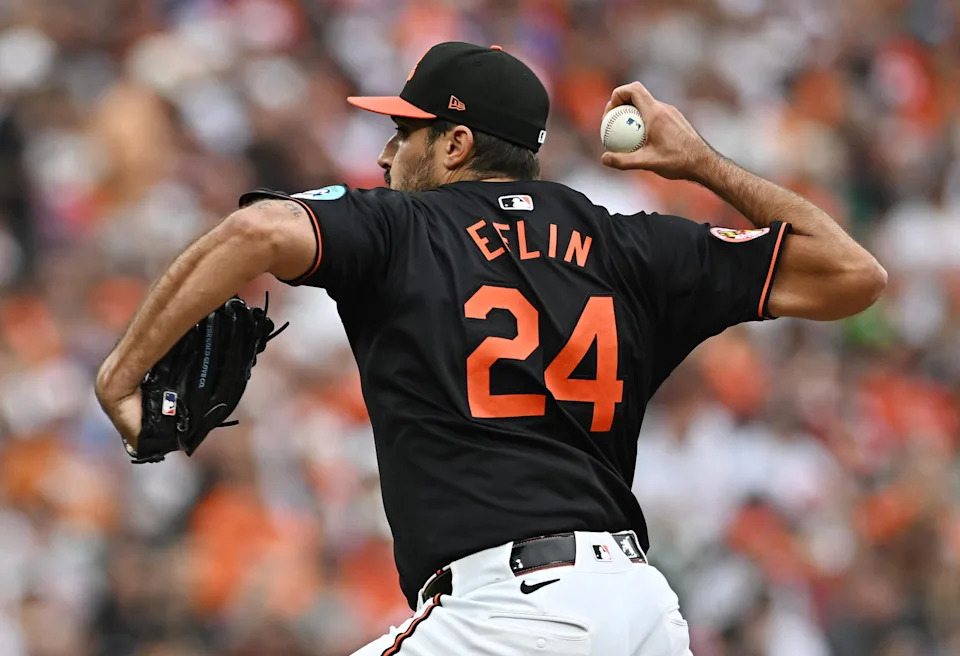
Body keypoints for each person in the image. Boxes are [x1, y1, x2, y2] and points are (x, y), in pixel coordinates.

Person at [95, 42, 886, 655]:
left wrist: (120, 374)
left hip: (508, 611)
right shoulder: (630, 247)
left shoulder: (401, 227)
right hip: (640, 612)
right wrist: (702, 162)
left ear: (454, 143)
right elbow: (853, 274)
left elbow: (257, 229)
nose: (382, 155)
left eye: (403, 131)